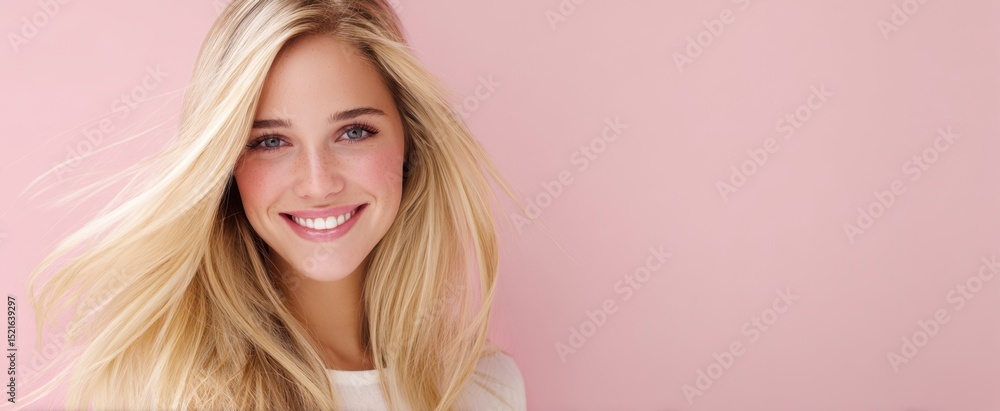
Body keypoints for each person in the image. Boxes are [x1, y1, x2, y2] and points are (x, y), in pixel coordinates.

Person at [23, 1, 528, 409]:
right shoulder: (166, 392)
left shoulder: (488, 389)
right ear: (225, 167)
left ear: (408, 143)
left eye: (354, 132)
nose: (317, 183)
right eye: (270, 142)